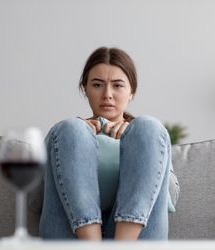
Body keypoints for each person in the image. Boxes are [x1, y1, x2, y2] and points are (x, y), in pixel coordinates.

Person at [39, 47, 180, 240]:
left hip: (136, 239)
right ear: (85, 89)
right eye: (97, 85)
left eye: (118, 85)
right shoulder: (63, 135)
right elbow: (34, 200)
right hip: (72, 238)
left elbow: (170, 195)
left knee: (149, 127)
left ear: (132, 91)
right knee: (69, 129)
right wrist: (75, 141)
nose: (107, 94)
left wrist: (135, 141)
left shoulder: (149, 137)